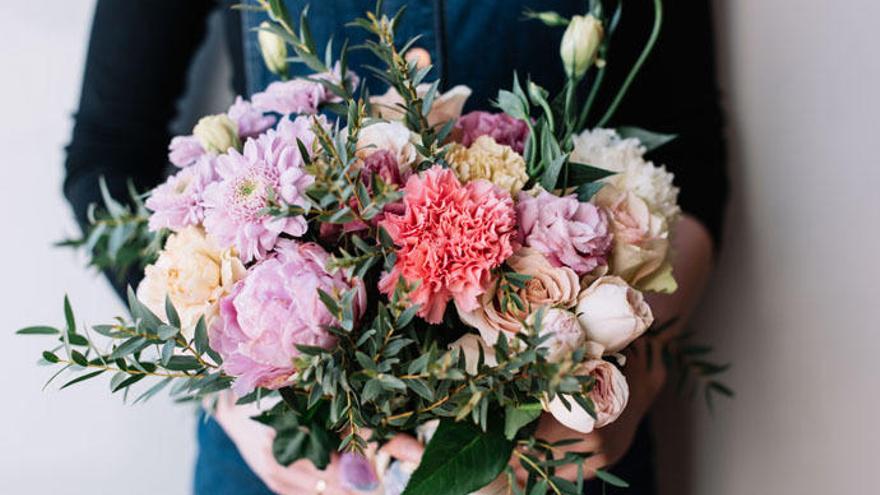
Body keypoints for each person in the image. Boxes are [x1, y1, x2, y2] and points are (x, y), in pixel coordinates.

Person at [64, 1, 727, 493]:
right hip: (288, 466)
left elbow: (691, 163)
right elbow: (106, 153)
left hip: (551, 457)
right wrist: (230, 390)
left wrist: (630, 375)